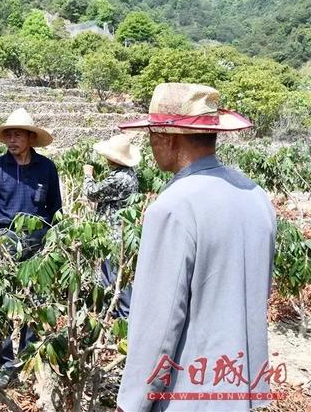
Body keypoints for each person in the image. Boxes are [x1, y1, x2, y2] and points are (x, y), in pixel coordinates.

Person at [116, 83, 276, 411]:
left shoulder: (174, 206)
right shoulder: (255, 196)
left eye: (152, 136)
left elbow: (157, 328)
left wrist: (130, 403)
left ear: (167, 138)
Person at [0, 107, 62, 388]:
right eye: (8, 135)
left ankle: (28, 356)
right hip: (5, 242)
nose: (12, 140)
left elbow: (55, 208)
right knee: (1, 305)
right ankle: (4, 362)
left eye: (17, 135)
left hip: (37, 244)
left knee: (33, 302)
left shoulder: (46, 168)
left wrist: (48, 239)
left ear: (30, 138)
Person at [82, 134, 140, 318]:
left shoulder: (120, 178)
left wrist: (88, 176)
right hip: (118, 234)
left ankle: (125, 316)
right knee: (110, 277)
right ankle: (111, 315)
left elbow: (92, 193)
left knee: (115, 278)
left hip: (114, 235)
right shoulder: (127, 175)